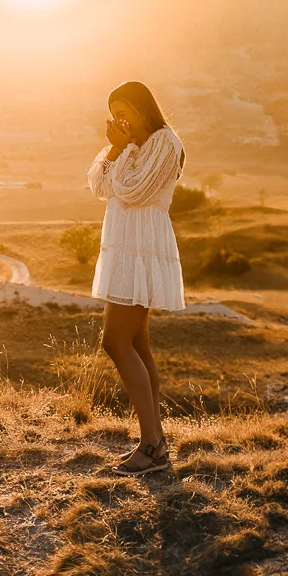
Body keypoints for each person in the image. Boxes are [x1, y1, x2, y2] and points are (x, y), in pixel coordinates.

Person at [86, 81, 187, 476]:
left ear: (144, 109)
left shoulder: (165, 142)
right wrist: (114, 148)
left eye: (126, 112)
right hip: (123, 246)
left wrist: (122, 152)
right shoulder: (128, 147)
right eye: (114, 115)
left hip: (142, 249)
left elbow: (131, 189)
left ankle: (152, 444)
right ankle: (155, 442)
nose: (120, 121)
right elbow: (97, 183)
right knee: (137, 344)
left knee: (114, 341)